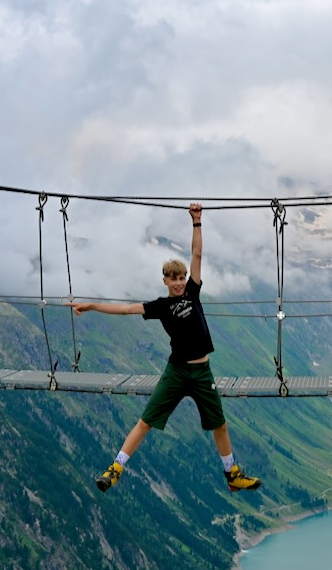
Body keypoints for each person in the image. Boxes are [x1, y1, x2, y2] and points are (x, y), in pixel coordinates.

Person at [68, 203, 262, 493]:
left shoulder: (193, 291)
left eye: (182, 278)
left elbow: (197, 253)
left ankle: (232, 475)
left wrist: (196, 221)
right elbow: (125, 310)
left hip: (202, 372)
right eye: (175, 279)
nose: (180, 283)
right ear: (165, 281)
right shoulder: (160, 306)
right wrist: (92, 305)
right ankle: (116, 468)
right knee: (146, 421)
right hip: (176, 371)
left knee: (219, 425)